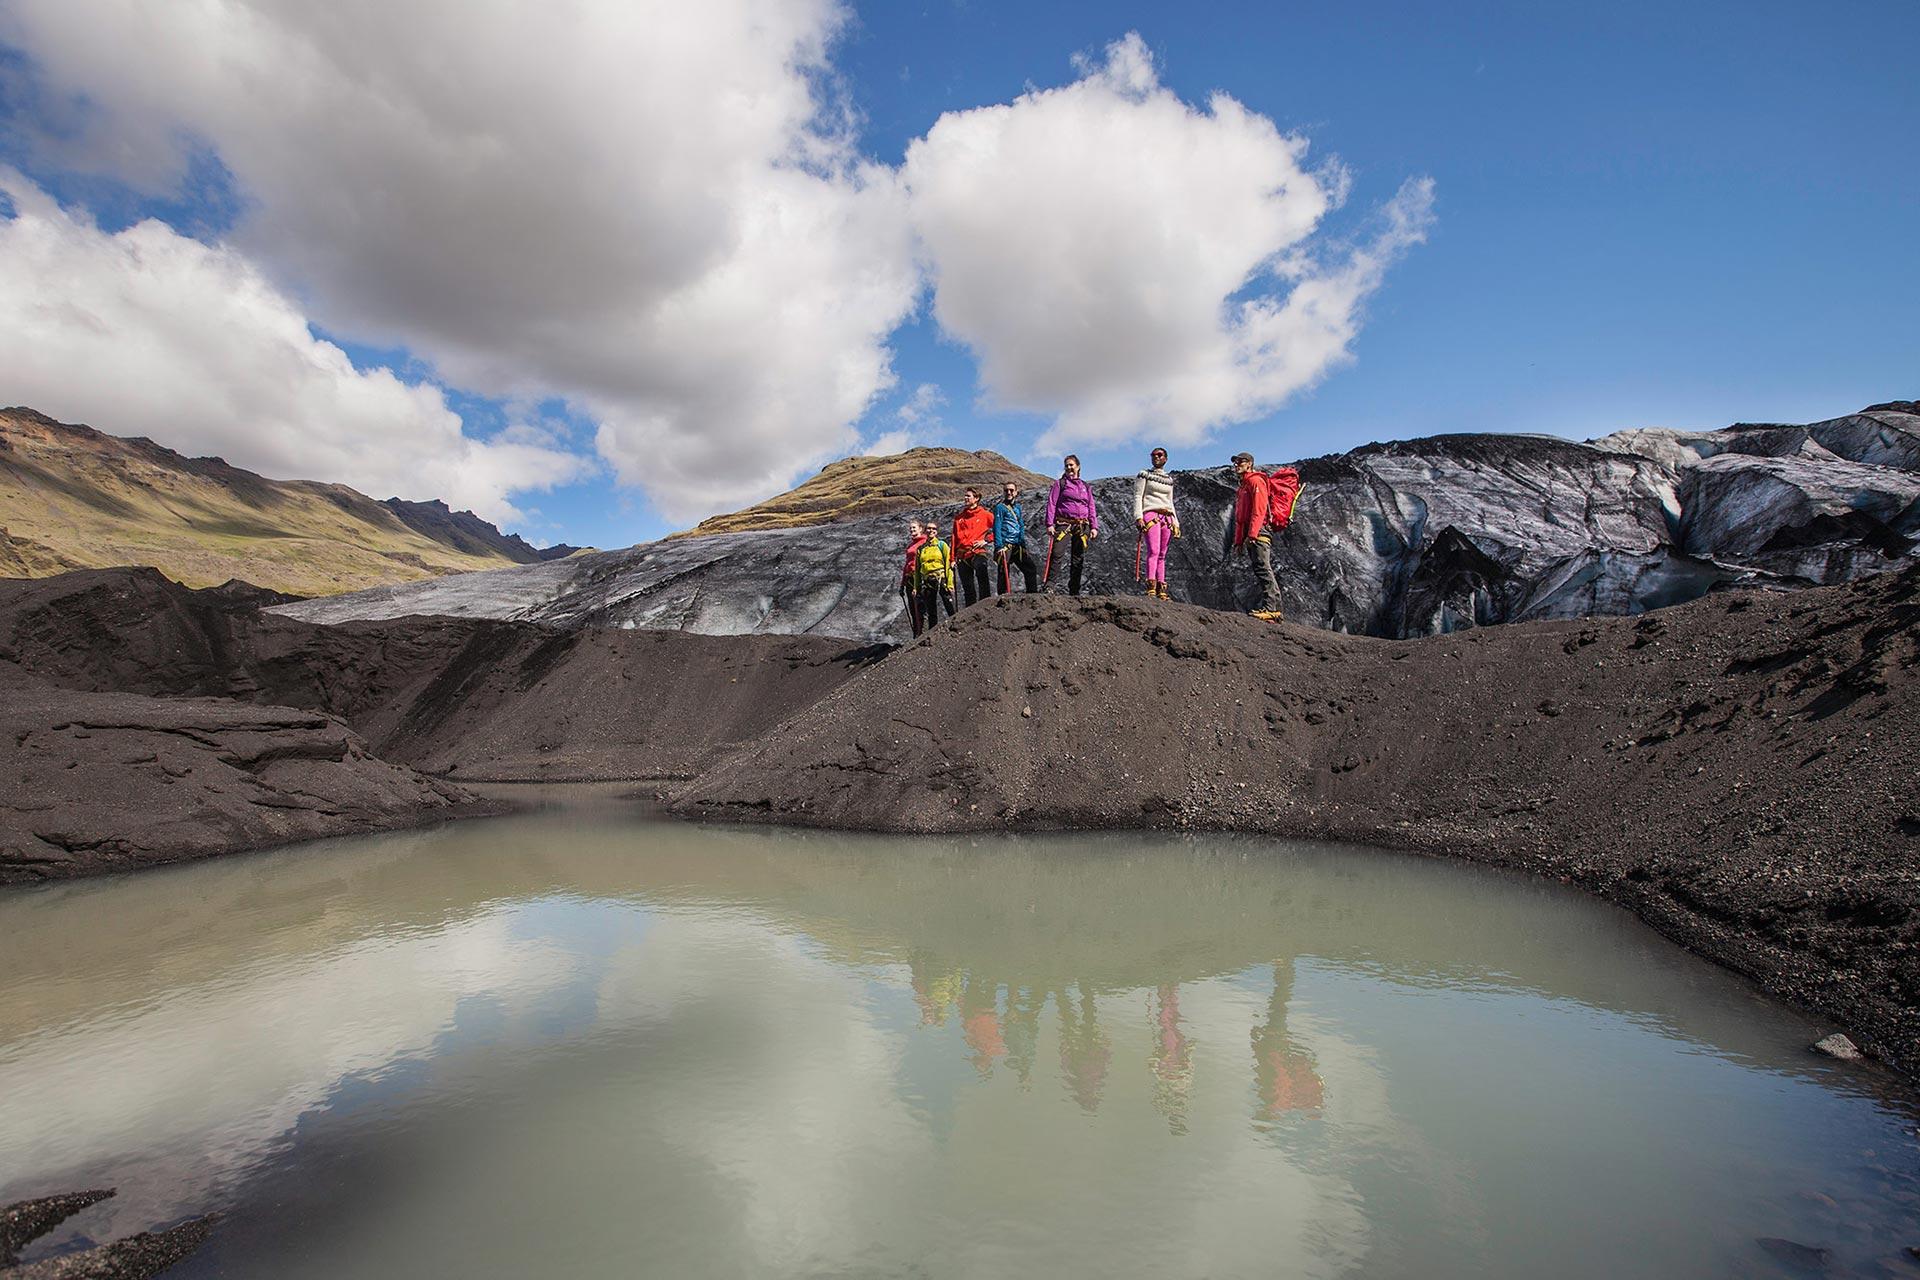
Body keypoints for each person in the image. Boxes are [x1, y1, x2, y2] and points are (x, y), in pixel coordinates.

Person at [1230, 451, 1285, 621]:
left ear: (1250, 464)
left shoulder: (1255, 482)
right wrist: (1239, 541)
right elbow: (1240, 518)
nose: (1237, 464)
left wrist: (1252, 535)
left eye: (1241, 461)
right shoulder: (1243, 486)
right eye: (1236, 462)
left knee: (1263, 567)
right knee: (1259, 568)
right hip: (1252, 533)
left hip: (1259, 532)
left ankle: (1272, 608)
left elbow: (1258, 510)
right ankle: (1272, 609)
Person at [1045, 454, 1098, 596]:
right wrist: (1050, 524)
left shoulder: (1086, 487)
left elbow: (1091, 506)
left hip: (1082, 526)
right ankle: (1050, 585)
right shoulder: (1060, 484)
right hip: (1064, 524)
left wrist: (1094, 526)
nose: (1068, 467)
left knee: (1078, 557)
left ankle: (1074, 589)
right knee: (1057, 553)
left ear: (1078, 467)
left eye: (1071, 465)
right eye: (1066, 465)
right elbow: (1052, 503)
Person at [1133, 447, 1180, 601]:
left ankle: (1162, 588)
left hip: (1167, 516)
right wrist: (1138, 517)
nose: (1156, 457)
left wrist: (1176, 522)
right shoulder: (1144, 474)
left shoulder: (1169, 480)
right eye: (1153, 455)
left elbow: (1170, 501)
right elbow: (1138, 496)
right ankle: (1151, 587)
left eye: (1159, 455)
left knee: (1162, 554)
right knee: (1153, 550)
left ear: (1165, 458)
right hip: (1151, 514)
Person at [990, 481, 1039, 593]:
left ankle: (1033, 596)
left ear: (1016, 492)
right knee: (1003, 573)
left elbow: (1021, 525)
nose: (1009, 492)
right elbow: (997, 527)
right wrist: (998, 546)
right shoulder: (1000, 508)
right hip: (1005, 545)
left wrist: (1023, 544)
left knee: (1030, 568)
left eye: (1011, 490)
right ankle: (1003, 598)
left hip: (1017, 545)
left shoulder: (1018, 508)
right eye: (1006, 490)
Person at [951, 487, 996, 606]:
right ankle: (971, 614)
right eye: (965, 496)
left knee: (982, 577)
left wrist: (986, 540)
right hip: (962, 555)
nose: (965, 498)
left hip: (978, 551)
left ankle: (985, 606)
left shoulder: (986, 515)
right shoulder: (958, 518)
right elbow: (954, 538)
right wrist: (952, 558)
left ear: (976, 499)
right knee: (968, 587)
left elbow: (999, 528)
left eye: (968, 496)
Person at [910, 515, 957, 629]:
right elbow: (917, 570)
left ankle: (956, 626)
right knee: (931, 610)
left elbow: (948, 565)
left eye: (933, 529)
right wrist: (916, 587)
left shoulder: (942, 545)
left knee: (948, 604)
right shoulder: (921, 549)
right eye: (929, 529)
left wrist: (950, 583)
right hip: (927, 580)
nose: (931, 531)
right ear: (925, 531)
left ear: (937, 531)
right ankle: (933, 634)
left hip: (941, 578)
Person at [899, 517, 929, 635]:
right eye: (910, 528)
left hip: (920, 577)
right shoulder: (911, 545)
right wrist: (902, 583)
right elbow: (907, 564)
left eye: (914, 527)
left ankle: (924, 632)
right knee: (913, 608)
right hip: (909, 578)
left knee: (921, 605)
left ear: (921, 529)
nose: (911, 530)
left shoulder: (925, 542)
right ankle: (917, 633)